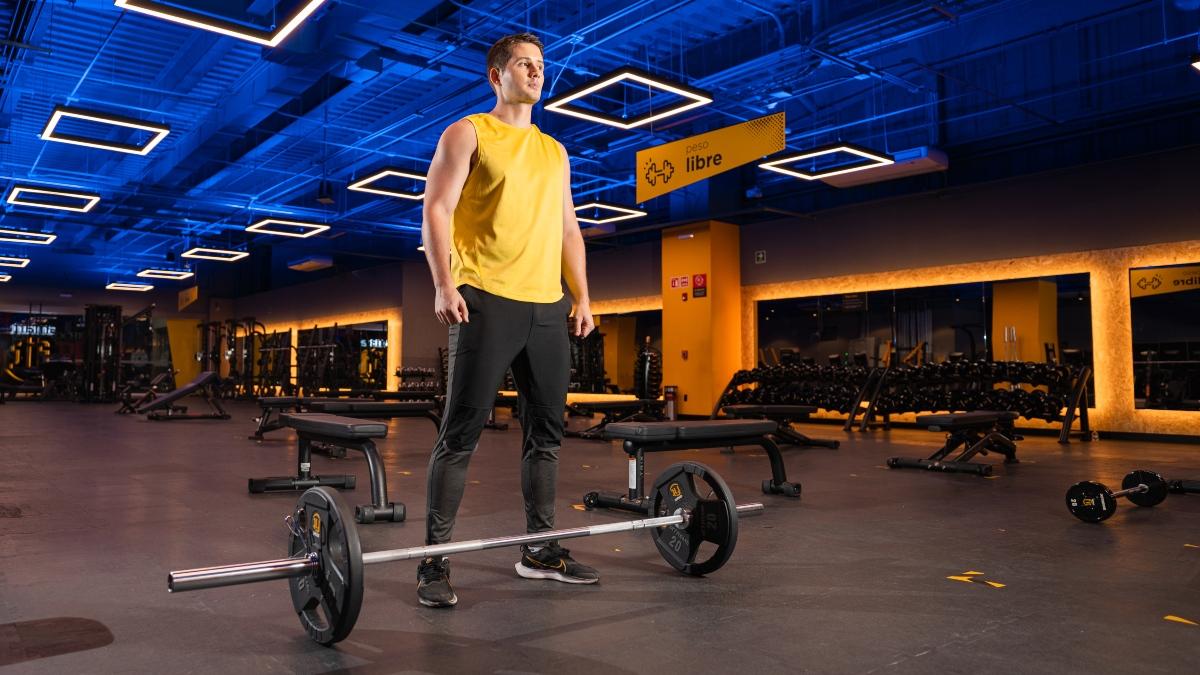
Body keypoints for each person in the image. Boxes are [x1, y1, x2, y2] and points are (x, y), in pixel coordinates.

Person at [416, 32, 597, 608]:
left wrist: (583, 298)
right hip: (486, 298)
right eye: (525, 64)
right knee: (460, 434)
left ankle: (539, 551)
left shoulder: (555, 151)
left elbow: (569, 228)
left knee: (546, 435)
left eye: (541, 65)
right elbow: (436, 208)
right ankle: (433, 562)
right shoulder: (468, 132)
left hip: (547, 307)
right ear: (497, 75)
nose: (537, 72)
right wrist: (445, 282)